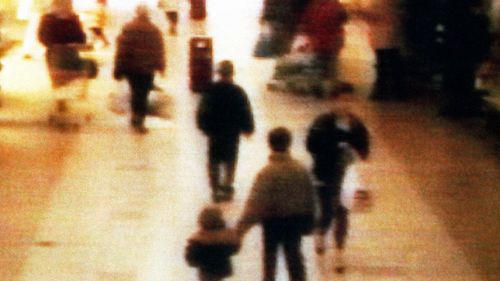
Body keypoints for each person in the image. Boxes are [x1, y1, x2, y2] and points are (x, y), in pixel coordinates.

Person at [237, 127, 315, 281]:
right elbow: (310, 196)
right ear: (289, 143)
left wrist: (241, 230)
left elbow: (256, 203)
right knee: (295, 258)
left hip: (272, 223)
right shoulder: (300, 169)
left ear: (270, 144)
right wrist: (310, 221)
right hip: (295, 221)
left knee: (270, 259)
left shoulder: (267, 172)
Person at [306, 111, 369, 271]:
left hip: (345, 177)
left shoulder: (355, 123)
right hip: (324, 173)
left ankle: (339, 253)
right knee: (326, 210)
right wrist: (336, 142)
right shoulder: (323, 121)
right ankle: (320, 234)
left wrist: (356, 150)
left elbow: (364, 148)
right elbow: (311, 145)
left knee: (342, 213)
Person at [196, 60, 254, 202]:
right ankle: (227, 186)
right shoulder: (237, 92)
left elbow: (202, 111)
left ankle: (215, 189)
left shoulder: (211, 91)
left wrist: (204, 127)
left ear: (218, 73)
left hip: (215, 133)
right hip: (231, 133)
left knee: (214, 160)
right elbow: (245, 112)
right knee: (230, 160)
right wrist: (248, 128)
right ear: (232, 74)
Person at [113, 5, 166, 133]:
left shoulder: (128, 28)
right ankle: (139, 120)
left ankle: (135, 118)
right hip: (147, 69)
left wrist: (118, 68)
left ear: (136, 14)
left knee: (135, 92)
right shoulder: (154, 30)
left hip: (132, 68)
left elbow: (122, 50)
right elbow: (159, 50)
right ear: (147, 15)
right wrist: (160, 66)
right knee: (143, 94)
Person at [38, 0, 88, 89]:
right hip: (55, 54)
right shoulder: (48, 19)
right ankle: (60, 99)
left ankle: (62, 97)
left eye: (68, 5)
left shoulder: (73, 19)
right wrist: (54, 45)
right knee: (58, 81)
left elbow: (81, 37)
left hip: (71, 54)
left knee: (69, 82)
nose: (66, 8)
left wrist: (78, 44)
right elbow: (43, 37)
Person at [298, 0, 348, 87]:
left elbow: (305, 23)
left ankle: (318, 83)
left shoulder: (313, 6)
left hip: (318, 41)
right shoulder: (335, 5)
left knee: (320, 62)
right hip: (332, 41)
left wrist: (309, 37)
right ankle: (328, 85)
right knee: (330, 64)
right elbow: (344, 18)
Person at [185, 206, 240, 281]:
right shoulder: (225, 236)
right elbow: (235, 248)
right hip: (221, 270)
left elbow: (190, 258)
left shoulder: (199, 239)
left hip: (206, 272)